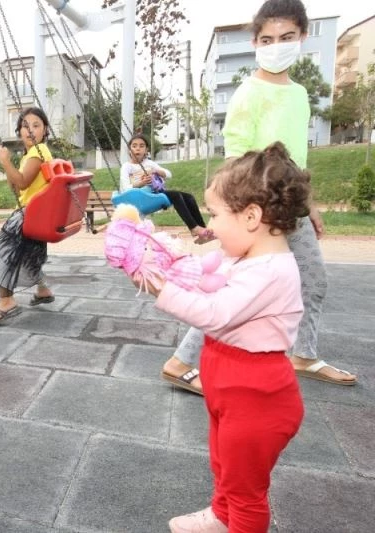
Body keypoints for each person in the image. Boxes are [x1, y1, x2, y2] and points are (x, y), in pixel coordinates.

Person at [161, 0, 356, 395]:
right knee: (235, 288)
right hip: (257, 209)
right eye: (267, 39)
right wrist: (235, 212)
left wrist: (309, 205)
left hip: (290, 204)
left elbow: (298, 159)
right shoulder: (247, 93)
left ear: (302, 37)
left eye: (286, 37)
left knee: (313, 280)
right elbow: (236, 156)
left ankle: (304, 353)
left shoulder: (299, 94)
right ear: (254, 42)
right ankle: (180, 362)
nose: (276, 45)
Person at [137, 143, 309, 532]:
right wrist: (168, 261)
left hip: (257, 399)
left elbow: (215, 314)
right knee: (224, 465)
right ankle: (220, 515)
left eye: (214, 215)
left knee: (247, 491)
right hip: (231, 387)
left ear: (251, 216)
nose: (210, 226)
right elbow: (206, 276)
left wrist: (160, 288)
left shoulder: (271, 271)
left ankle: (236, 519)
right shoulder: (244, 258)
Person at [0, 106, 55, 325]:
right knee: (30, 254)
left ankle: (6, 301)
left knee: (0, 249)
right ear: (19, 131)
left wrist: (5, 162)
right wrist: (10, 168)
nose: (30, 130)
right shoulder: (31, 155)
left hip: (30, 212)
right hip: (39, 212)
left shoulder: (38, 151)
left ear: (45, 130)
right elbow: (17, 187)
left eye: (36, 125)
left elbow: (23, 182)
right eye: (25, 126)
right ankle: (43, 290)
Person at [120, 134, 214, 244]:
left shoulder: (149, 163)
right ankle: (193, 228)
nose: (138, 148)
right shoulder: (127, 166)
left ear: (146, 150)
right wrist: (142, 183)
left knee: (189, 197)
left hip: (153, 193)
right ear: (129, 149)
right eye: (134, 146)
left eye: (141, 146)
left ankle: (203, 231)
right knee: (175, 195)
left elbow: (169, 174)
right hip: (139, 197)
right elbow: (126, 188)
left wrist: (156, 171)